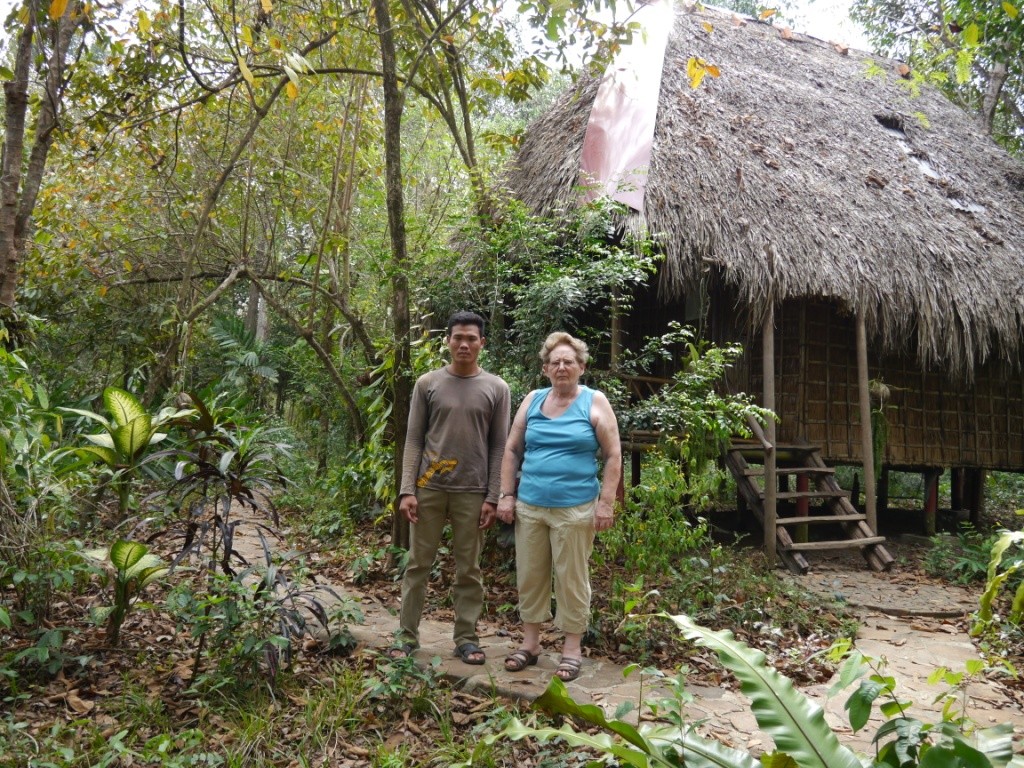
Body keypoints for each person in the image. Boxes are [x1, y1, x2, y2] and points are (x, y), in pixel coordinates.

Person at [495, 331, 621, 682]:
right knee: (530, 575)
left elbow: (613, 455)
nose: (562, 367)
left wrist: (606, 504)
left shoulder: (594, 401)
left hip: (576, 506)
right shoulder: (533, 399)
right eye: (555, 362)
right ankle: (531, 644)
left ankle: (570, 649)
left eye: (569, 361)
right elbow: (511, 449)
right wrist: (507, 494)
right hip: (531, 505)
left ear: (581, 367)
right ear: (546, 369)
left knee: (571, 578)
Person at [391, 311, 510, 665]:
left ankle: (466, 640)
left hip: (472, 490)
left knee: (468, 568)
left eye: (471, 338)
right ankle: (407, 637)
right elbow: (412, 439)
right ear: (447, 340)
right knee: (417, 564)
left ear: (482, 344)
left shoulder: (496, 388)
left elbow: (499, 446)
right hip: (428, 486)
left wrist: (493, 496)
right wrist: (406, 489)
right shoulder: (427, 383)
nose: (464, 344)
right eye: (458, 337)